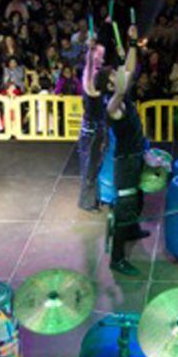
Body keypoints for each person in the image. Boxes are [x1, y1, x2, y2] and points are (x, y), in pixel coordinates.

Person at [96, 24, 150, 276]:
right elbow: (120, 86)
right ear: (108, 86)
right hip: (125, 162)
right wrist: (120, 78)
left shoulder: (123, 96)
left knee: (138, 197)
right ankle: (117, 258)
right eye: (112, 79)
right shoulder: (112, 104)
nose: (118, 78)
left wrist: (131, 44)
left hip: (136, 155)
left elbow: (127, 70)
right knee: (124, 207)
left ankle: (132, 230)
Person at [77, 37, 107, 211]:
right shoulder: (90, 82)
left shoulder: (98, 77)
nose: (101, 60)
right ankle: (87, 203)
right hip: (90, 133)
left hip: (98, 130)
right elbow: (89, 68)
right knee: (89, 168)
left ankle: (94, 197)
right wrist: (89, 52)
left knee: (96, 166)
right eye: (98, 56)